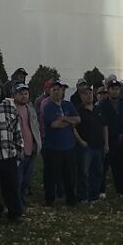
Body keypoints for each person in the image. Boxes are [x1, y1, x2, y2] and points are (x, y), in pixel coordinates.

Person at [0, 81, 24, 220]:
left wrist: (19, 147)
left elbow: (17, 128)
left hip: (8, 152)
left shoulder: (9, 105)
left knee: (11, 186)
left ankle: (14, 213)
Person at [41, 79, 79, 207]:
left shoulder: (68, 105)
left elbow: (78, 119)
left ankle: (71, 199)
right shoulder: (48, 107)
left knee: (70, 175)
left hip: (69, 147)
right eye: (54, 90)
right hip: (53, 147)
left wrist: (64, 118)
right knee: (51, 175)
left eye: (59, 90)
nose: (57, 92)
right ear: (50, 92)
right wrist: (69, 121)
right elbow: (54, 124)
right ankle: (50, 199)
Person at [97, 80, 123, 199]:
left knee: (121, 167)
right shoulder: (102, 105)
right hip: (108, 140)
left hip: (121, 140)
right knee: (103, 167)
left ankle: (122, 190)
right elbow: (102, 122)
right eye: (113, 88)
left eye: (117, 89)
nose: (115, 91)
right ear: (108, 90)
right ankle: (101, 191)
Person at [73, 84, 106, 203]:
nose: (89, 96)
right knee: (83, 172)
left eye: (90, 93)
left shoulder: (98, 110)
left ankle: (94, 196)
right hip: (86, 147)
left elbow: (104, 126)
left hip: (99, 146)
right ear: (81, 96)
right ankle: (83, 197)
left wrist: (106, 143)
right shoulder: (78, 111)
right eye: (85, 94)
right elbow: (73, 128)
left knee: (97, 172)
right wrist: (80, 141)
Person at [13, 83, 42, 213]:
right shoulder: (11, 109)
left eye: (25, 93)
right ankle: (16, 207)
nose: (24, 96)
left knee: (26, 181)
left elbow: (35, 128)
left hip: (31, 151)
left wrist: (37, 144)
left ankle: (22, 205)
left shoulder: (30, 109)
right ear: (14, 95)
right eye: (20, 93)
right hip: (18, 152)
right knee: (17, 182)